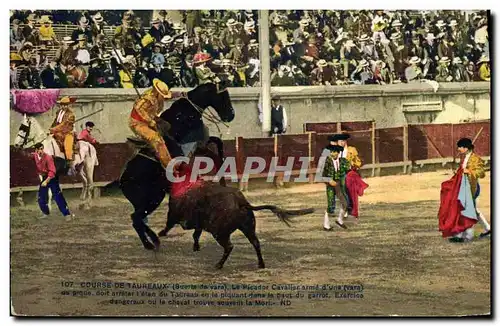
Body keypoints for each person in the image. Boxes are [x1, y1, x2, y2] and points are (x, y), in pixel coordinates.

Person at [439, 138, 490, 242]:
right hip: (464, 187)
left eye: (460, 147)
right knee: (471, 210)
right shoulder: (465, 158)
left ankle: (466, 236)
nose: (458, 149)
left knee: (468, 210)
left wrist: (469, 171)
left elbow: (481, 173)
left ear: (466, 148)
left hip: (472, 188)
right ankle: (487, 229)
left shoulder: (475, 159)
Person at [129, 78, 173, 169]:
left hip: (150, 120)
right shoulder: (147, 97)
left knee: (165, 130)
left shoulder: (158, 99)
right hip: (137, 123)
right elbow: (138, 109)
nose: (164, 97)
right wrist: (149, 121)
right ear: (157, 92)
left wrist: (155, 120)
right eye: (162, 95)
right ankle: (167, 165)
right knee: (156, 139)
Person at [32, 143, 73, 221]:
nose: (41, 151)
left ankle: (67, 214)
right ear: (36, 150)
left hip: (52, 178)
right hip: (44, 177)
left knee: (57, 195)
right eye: (39, 149)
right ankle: (46, 213)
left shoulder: (48, 157)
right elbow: (30, 156)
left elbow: (52, 171)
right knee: (41, 197)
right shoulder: (35, 156)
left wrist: (46, 181)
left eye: (42, 149)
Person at [336, 132, 368, 222]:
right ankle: (345, 209)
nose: (341, 143)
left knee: (348, 191)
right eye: (340, 141)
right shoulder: (335, 151)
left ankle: (348, 209)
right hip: (339, 174)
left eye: (343, 141)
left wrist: (353, 165)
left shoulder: (352, 150)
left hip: (349, 173)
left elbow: (358, 162)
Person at [322, 144, 351, 231]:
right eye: (331, 152)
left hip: (340, 185)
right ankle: (326, 225)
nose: (332, 154)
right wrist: (329, 180)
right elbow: (323, 174)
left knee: (345, 203)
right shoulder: (327, 161)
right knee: (331, 206)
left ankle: (339, 220)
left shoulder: (343, 161)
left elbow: (349, 170)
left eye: (334, 152)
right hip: (331, 186)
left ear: (338, 153)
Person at [50, 96, 76, 165]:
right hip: (58, 131)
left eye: (66, 105)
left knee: (67, 144)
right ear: (60, 105)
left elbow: (64, 125)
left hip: (67, 132)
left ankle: (69, 162)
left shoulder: (70, 114)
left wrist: (54, 129)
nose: (64, 106)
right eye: (63, 105)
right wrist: (51, 129)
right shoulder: (58, 112)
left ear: (68, 105)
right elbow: (55, 122)